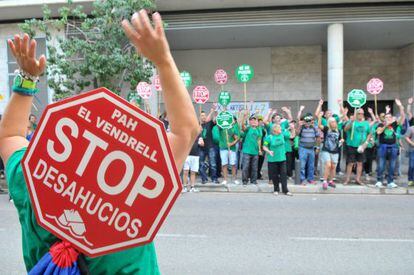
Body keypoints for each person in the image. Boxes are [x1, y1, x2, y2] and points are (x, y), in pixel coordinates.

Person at [0, 10, 200, 274]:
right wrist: (162, 61)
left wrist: (27, 78)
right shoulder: (136, 186)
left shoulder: (32, 177)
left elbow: (10, 136)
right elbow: (186, 131)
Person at [375, 99, 405, 188]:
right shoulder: (380, 125)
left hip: (393, 147)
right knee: (381, 164)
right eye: (386, 117)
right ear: (384, 119)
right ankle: (379, 180)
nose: (388, 119)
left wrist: (400, 106)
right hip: (382, 146)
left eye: (389, 117)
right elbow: (378, 132)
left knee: (392, 165)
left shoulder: (395, 124)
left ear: (392, 119)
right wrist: (385, 125)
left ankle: (390, 182)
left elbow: (403, 116)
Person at [263, 124, 292, 196]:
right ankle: (276, 189)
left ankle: (285, 190)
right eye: (279, 128)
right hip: (272, 160)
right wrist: (269, 151)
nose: (280, 129)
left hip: (282, 159)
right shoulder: (269, 137)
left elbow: (291, 135)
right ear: (274, 130)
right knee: (274, 175)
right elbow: (264, 146)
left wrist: (291, 128)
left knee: (283, 175)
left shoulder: (283, 135)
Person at [343, 108, 371, 185]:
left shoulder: (366, 123)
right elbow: (345, 129)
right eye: (359, 113)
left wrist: (366, 142)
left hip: (361, 146)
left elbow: (369, 133)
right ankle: (347, 179)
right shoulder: (352, 121)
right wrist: (351, 121)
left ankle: (358, 179)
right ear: (356, 114)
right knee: (350, 163)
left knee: (360, 163)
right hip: (351, 145)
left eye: (362, 113)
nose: (360, 115)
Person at [318, 113, 343, 190]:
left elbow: (339, 140)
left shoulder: (339, 131)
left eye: (334, 122)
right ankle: (325, 181)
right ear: (329, 123)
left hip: (335, 151)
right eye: (332, 122)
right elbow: (319, 126)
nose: (334, 123)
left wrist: (342, 140)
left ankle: (331, 181)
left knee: (333, 167)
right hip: (326, 150)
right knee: (328, 165)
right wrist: (319, 117)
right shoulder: (326, 129)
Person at [297, 112, 320, 185]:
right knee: (302, 165)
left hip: (311, 148)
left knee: (311, 165)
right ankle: (302, 179)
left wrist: (317, 147)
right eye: (306, 121)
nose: (307, 122)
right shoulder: (302, 127)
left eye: (309, 121)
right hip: (303, 148)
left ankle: (311, 179)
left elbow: (318, 137)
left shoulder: (314, 127)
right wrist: (300, 126)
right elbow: (297, 134)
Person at [241, 113, 262, 185]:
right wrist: (244, 117)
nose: (253, 122)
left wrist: (259, 149)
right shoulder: (248, 128)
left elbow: (259, 140)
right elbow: (243, 127)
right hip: (247, 151)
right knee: (245, 167)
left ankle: (253, 180)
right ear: (250, 122)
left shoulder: (259, 129)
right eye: (252, 120)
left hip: (255, 151)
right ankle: (245, 180)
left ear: (257, 122)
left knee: (254, 167)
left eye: (255, 120)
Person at [199, 107, 219, 184]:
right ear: (199, 117)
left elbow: (215, 121)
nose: (203, 117)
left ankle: (214, 178)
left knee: (213, 163)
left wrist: (213, 112)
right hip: (201, 148)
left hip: (210, 146)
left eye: (204, 115)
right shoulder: (197, 125)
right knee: (201, 164)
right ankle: (204, 179)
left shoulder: (209, 123)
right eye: (201, 115)